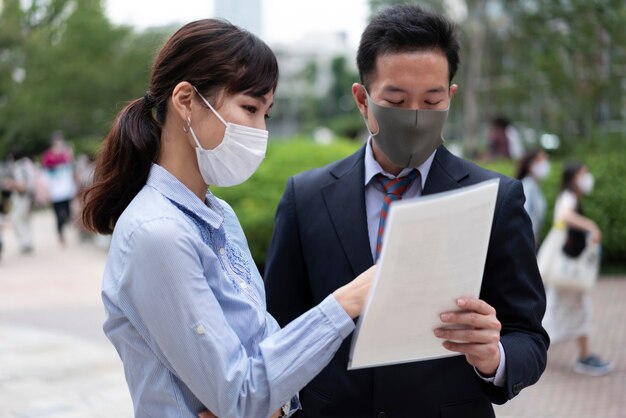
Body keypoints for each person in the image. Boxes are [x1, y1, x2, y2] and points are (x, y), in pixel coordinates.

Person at [264, 5, 549, 417]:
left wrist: (494, 356)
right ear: (363, 100)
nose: (415, 117)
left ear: (450, 97)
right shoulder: (306, 197)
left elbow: (529, 339)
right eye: (396, 100)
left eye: (432, 100)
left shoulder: (495, 198)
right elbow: (279, 328)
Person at [81, 19, 375, 418]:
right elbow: (241, 395)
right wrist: (345, 303)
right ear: (185, 100)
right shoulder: (157, 234)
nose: (259, 130)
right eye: (250, 108)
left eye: (266, 114)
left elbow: (260, 348)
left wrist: (272, 400)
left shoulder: (219, 215)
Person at [541, 162, 613, 376]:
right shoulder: (568, 197)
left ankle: (582, 355)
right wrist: (591, 225)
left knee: (561, 312)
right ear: (573, 177)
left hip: (565, 273)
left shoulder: (570, 197)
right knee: (576, 311)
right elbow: (566, 216)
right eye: (583, 173)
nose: (587, 177)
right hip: (567, 272)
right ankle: (584, 357)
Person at [42, 131, 76, 245]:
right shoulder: (48, 156)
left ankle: (63, 229)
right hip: (55, 191)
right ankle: (60, 234)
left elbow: (72, 168)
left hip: (66, 190)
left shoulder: (67, 154)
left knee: (67, 212)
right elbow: (45, 174)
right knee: (58, 215)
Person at [2, 148, 37, 254]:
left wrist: (10, 184)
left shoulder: (19, 166)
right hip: (30, 196)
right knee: (25, 220)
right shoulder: (28, 164)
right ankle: (28, 241)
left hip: (23, 196)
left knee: (16, 219)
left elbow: (22, 186)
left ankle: (25, 242)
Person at [516, 148, 550, 246]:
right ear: (530, 164)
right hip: (526, 241)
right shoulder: (528, 185)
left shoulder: (535, 185)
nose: (545, 164)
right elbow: (524, 214)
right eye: (541, 160)